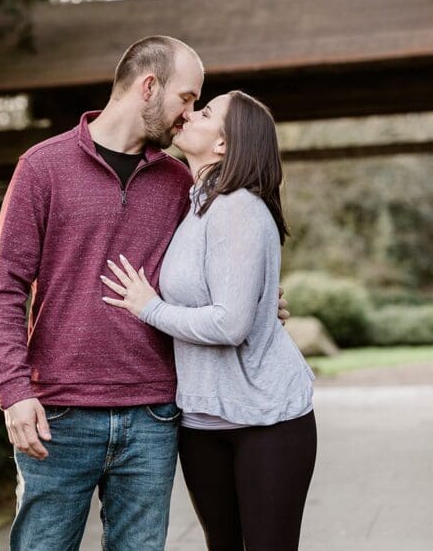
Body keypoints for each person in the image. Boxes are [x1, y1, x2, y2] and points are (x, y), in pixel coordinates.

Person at [0, 37, 288, 551]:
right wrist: (13, 392)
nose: (188, 116)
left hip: (155, 415)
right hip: (60, 414)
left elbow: (214, 267)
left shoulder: (178, 182)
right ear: (149, 86)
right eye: (187, 99)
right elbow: (4, 287)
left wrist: (253, 299)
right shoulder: (42, 167)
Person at [102, 90, 317, 550]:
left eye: (203, 111)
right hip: (202, 420)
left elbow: (230, 324)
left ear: (223, 144)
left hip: (266, 420)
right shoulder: (197, 205)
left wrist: (150, 308)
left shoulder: (238, 205)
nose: (188, 114)